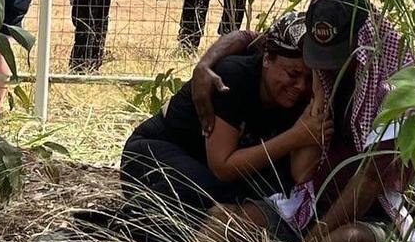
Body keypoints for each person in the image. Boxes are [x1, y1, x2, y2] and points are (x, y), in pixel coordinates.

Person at [73, 0, 415, 242]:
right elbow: (301, 171)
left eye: (334, 62)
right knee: (225, 217)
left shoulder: (397, 92)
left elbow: (370, 183)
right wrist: (206, 64)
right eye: (319, 62)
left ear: (364, 46)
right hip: (307, 204)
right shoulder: (317, 77)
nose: (321, 72)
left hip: (379, 220)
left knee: (339, 241)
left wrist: (309, 239)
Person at [120, 12, 331, 229]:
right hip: (153, 152)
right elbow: (223, 166)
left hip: (203, 168)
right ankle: (118, 229)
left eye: (309, 77)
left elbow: (299, 174)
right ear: (267, 59)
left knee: (262, 195)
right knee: (213, 197)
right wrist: (296, 137)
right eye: (293, 74)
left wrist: (319, 95)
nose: (300, 86)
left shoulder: (303, 95)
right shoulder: (233, 76)